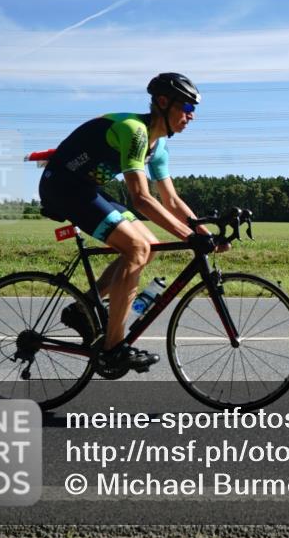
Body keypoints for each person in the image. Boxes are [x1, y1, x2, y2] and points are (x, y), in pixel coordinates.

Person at [38, 72, 227, 371]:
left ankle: (83, 307)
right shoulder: (134, 131)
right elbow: (141, 198)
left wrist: (206, 234)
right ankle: (114, 348)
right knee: (137, 247)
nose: (191, 116)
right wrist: (188, 237)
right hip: (61, 187)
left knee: (148, 246)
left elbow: (172, 201)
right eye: (187, 108)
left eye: (194, 111)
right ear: (163, 103)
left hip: (85, 189)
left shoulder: (159, 147)